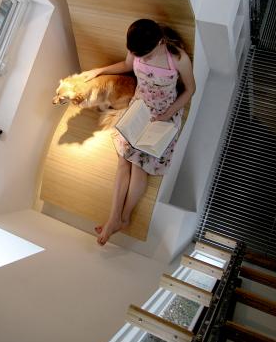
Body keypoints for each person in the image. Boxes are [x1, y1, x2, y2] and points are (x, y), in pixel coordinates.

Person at [81, 19, 196, 246]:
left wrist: (166, 114)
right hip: (139, 108)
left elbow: (190, 90)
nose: (141, 59)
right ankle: (115, 217)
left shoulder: (177, 58)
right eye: (138, 56)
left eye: (147, 56)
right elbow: (126, 65)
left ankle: (123, 217)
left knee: (138, 165)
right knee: (123, 160)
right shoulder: (138, 45)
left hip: (163, 114)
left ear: (160, 42)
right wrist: (99, 70)